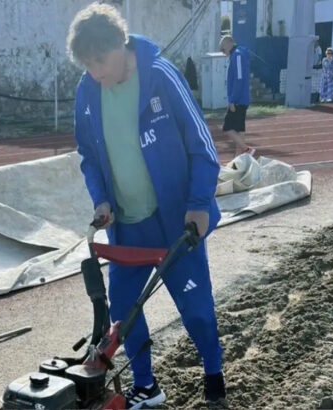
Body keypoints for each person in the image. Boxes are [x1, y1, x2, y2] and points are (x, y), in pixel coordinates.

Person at [66, 3, 226, 409]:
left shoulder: (160, 76)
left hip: (176, 222)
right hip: (128, 227)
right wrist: (101, 199)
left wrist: (199, 204)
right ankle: (146, 386)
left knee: (197, 310)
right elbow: (88, 155)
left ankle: (214, 376)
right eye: (87, 65)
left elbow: (203, 145)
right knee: (123, 314)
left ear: (121, 44)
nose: (95, 72)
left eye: (100, 61)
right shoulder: (88, 91)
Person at [219, 35, 254, 158]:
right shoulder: (238, 55)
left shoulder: (237, 55)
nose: (223, 52)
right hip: (241, 99)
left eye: (222, 49)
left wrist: (232, 100)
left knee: (227, 127)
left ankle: (247, 150)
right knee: (240, 130)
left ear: (228, 44)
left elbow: (239, 79)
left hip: (239, 99)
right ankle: (238, 159)